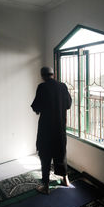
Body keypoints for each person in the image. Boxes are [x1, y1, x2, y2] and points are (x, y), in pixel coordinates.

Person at [31, 66, 72, 194]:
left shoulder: (42, 87)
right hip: (60, 127)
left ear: (42, 75)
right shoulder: (62, 86)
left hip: (46, 128)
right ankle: (65, 179)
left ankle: (46, 186)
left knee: (45, 155)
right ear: (53, 74)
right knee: (61, 153)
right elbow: (68, 104)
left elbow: (36, 107)